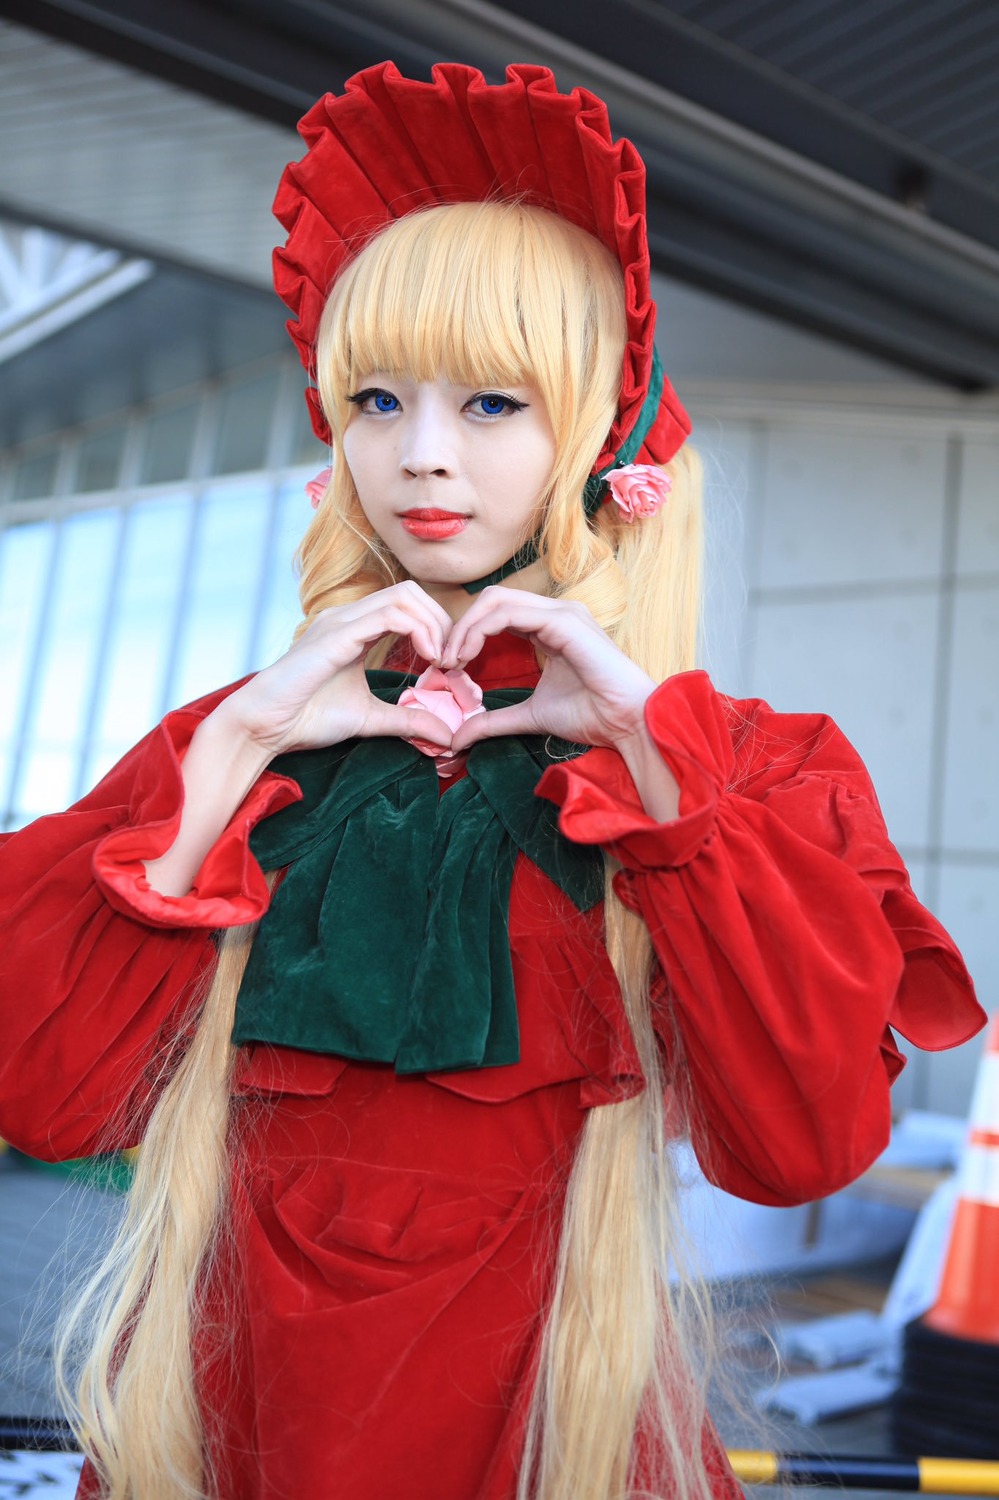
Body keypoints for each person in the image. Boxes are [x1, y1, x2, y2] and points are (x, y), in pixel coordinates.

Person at [0, 62, 984, 1500]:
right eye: (378, 400)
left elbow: (804, 1145)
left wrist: (654, 766)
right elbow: (50, 1104)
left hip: (555, 1439)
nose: (421, 457)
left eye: (494, 402)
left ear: (599, 430)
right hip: (219, 1439)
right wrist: (231, 760)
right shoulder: (248, 737)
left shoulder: (732, 770)